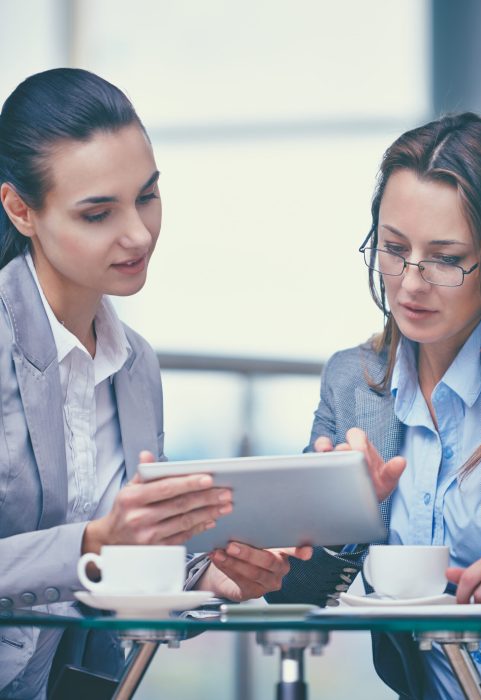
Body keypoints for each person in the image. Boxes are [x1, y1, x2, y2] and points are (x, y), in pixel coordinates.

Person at [0, 67, 309, 699]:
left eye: (147, 196)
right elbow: (97, 547)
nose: (139, 233)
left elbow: (130, 574)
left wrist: (211, 579)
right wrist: (94, 544)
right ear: (20, 209)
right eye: (98, 213)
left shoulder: (135, 366)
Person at [266, 113, 481, 699]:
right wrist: (341, 518)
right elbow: (290, 592)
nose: (410, 283)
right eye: (394, 249)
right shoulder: (353, 383)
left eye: (446, 258)